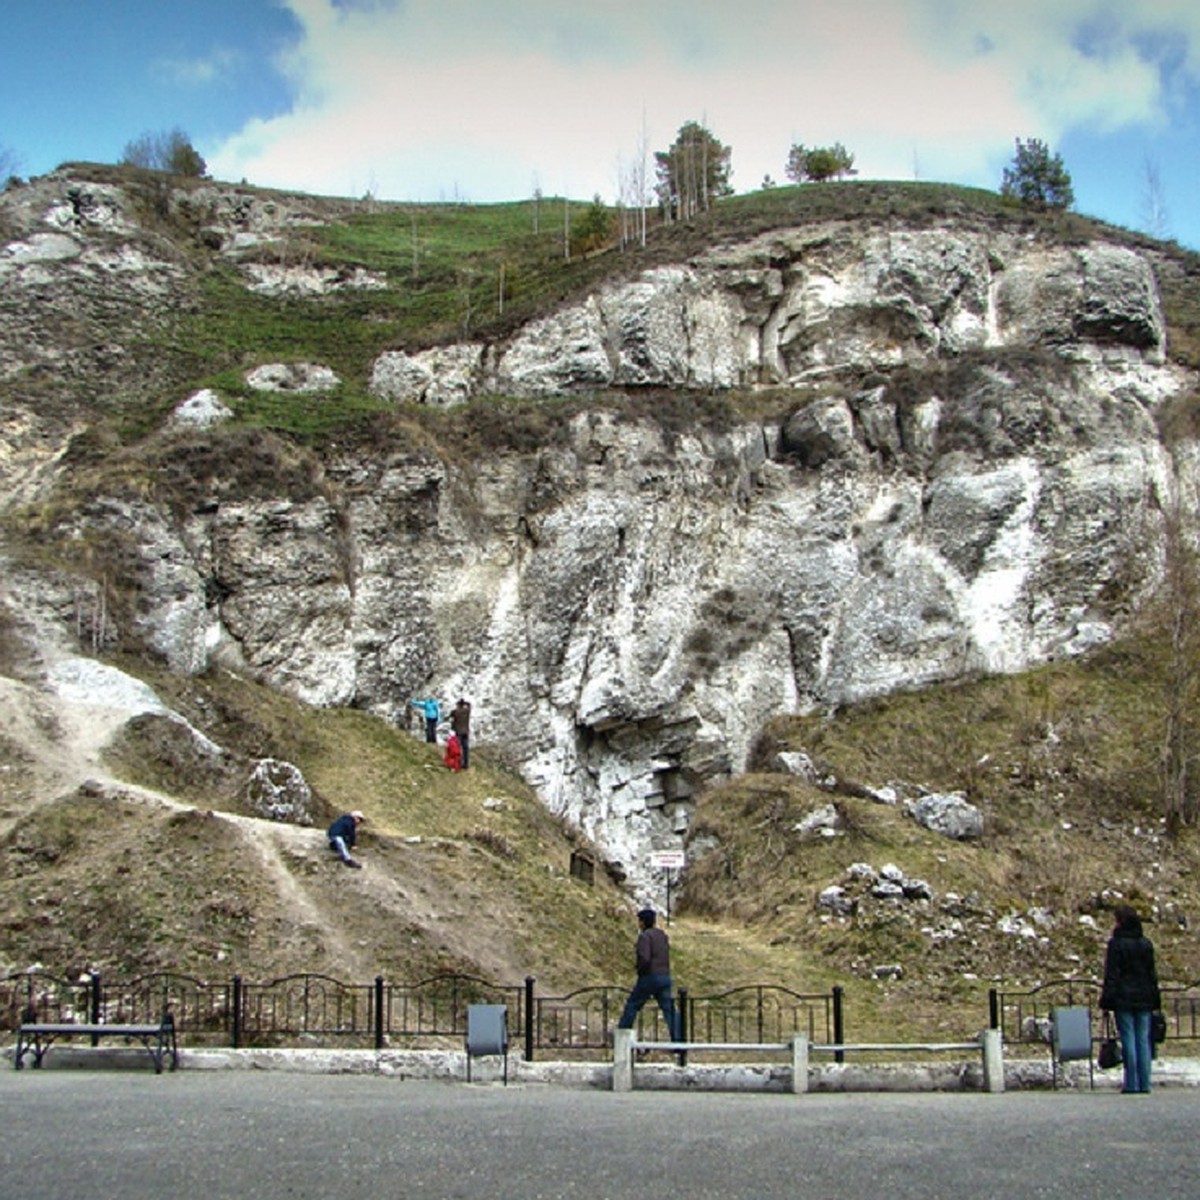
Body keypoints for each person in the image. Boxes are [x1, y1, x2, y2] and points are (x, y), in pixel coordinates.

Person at [1100, 904, 1161, 1093]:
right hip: (1144, 997)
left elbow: (1112, 975)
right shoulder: (1145, 944)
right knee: (1143, 1039)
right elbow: (1152, 975)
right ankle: (1145, 1082)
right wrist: (1156, 999)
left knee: (1128, 1038)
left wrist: (1106, 1000)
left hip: (1123, 998)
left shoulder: (1116, 944)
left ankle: (1131, 1083)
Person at [616, 908, 680, 1040]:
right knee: (669, 1010)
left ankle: (622, 1036)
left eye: (639, 921)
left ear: (643, 922)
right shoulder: (662, 935)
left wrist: (640, 969)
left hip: (650, 976)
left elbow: (645, 958)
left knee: (633, 1005)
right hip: (664, 976)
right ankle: (678, 1042)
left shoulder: (645, 937)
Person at [451, 697, 472, 769]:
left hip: (458, 732)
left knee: (457, 748)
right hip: (466, 731)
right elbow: (470, 705)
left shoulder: (456, 712)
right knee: (465, 748)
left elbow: (451, 714)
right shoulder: (467, 711)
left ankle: (458, 763)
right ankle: (466, 764)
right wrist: (466, 703)